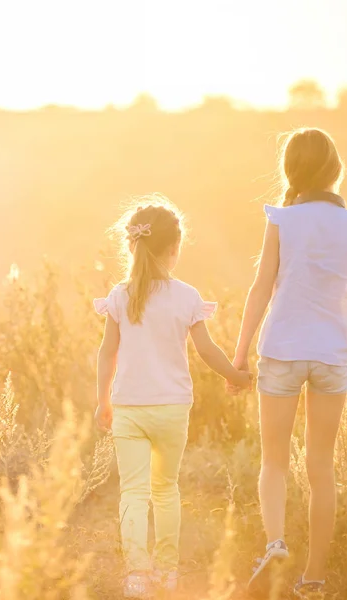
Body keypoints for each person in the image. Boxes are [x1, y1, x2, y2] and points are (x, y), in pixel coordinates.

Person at [232, 128, 347, 598]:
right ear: (336, 169)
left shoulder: (282, 219)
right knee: (322, 467)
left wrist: (239, 353)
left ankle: (275, 542)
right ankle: (314, 579)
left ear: (291, 171)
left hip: (281, 349)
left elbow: (261, 288)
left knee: (274, 461)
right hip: (332, 354)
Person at [94, 196, 252, 599]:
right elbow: (206, 350)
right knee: (165, 489)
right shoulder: (186, 296)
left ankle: (136, 577)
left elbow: (107, 351)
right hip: (171, 409)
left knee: (133, 491)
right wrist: (235, 376)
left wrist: (103, 400)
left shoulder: (120, 295)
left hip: (129, 407)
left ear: (132, 246)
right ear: (174, 249)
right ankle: (166, 573)